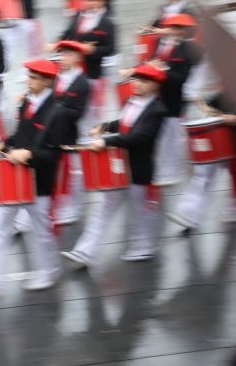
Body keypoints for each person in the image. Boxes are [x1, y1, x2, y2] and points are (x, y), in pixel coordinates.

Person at [0, 59, 66, 301]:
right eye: (29, 76)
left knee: (40, 231)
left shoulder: (57, 111)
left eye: (34, 78)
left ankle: (48, 270)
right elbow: (21, 135)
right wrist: (5, 144)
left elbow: (54, 153)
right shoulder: (27, 103)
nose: (29, 81)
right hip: (15, 177)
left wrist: (29, 154)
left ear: (48, 81)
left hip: (39, 181)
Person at [61, 63, 168, 268]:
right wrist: (105, 126)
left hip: (138, 168)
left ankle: (142, 247)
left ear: (155, 86)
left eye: (143, 81)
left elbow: (139, 136)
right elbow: (125, 123)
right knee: (104, 209)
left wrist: (107, 141)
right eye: (136, 80)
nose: (137, 84)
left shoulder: (157, 110)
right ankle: (84, 252)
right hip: (119, 166)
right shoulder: (132, 101)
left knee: (139, 211)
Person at [166, 92, 236, 229]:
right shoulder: (227, 91)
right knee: (204, 175)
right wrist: (204, 105)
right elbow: (213, 106)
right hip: (221, 137)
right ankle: (189, 213)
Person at [147, 14, 202, 186]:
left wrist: (161, 71)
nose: (173, 31)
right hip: (157, 97)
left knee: (171, 137)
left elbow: (180, 78)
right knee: (161, 136)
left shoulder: (188, 49)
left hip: (175, 98)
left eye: (178, 28)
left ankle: (171, 172)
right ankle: (163, 169)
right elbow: (152, 62)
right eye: (171, 27)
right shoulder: (158, 43)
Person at [55, 0, 115, 124]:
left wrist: (92, 50)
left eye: (94, 0)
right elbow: (67, 33)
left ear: (102, 2)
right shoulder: (78, 16)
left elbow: (110, 48)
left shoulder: (107, 23)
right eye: (87, 0)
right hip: (74, 69)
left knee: (91, 109)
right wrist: (57, 44)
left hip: (92, 72)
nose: (89, 3)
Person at [49, 40, 91, 225]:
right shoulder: (55, 76)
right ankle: (60, 205)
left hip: (69, 132)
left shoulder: (81, 83)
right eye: (61, 54)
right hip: (51, 131)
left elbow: (77, 112)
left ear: (77, 58)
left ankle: (72, 208)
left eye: (68, 55)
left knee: (72, 172)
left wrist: (55, 109)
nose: (63, 58)